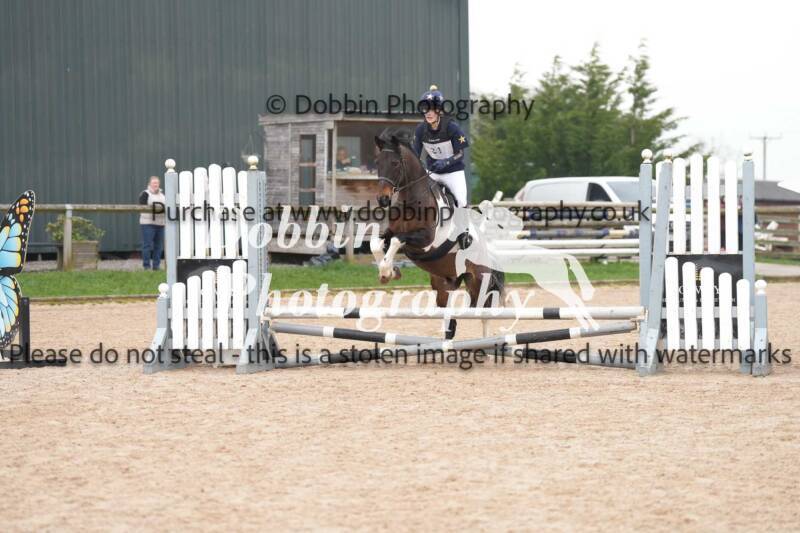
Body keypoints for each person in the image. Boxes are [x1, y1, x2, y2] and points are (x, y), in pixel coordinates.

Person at [412, 84, 470, 207]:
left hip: (453, 172)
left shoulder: (451, 127)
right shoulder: (420, 129)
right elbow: (414, 154)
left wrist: (446, 162)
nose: (428, 113)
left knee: (461, 201)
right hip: (432, 171)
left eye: (432, 109)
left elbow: (460, 154)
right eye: (425, 109)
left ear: (439, 110)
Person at [138, 176, 166, 270]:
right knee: (147, 245)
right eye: (154, 183)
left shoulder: (162, 195)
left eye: (157, 183)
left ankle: (156, 266)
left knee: (158, 246)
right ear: (150, 184)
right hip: (148, 223)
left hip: (160, 223)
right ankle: (146, 266)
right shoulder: (145, 194)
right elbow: (142, 206)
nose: (155, 184)